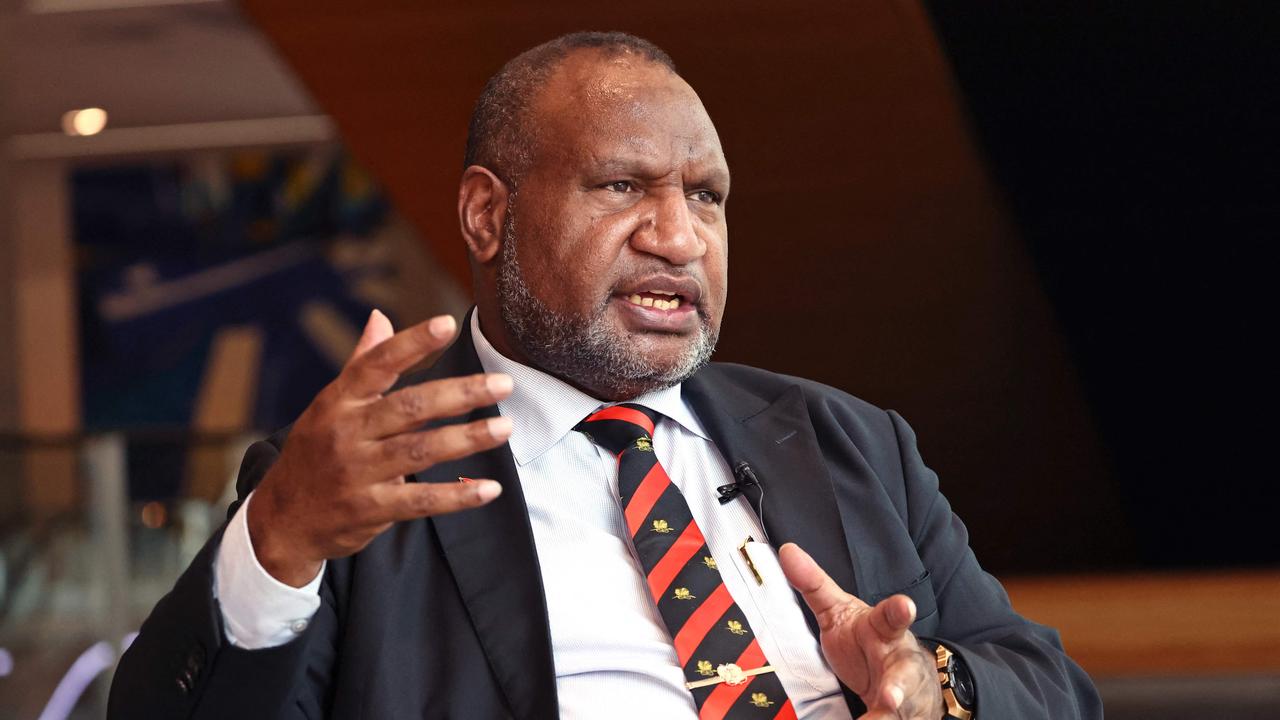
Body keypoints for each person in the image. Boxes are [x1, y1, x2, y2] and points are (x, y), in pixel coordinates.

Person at [108, 31, 1101, 720]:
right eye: (622, 186)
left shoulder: (850, 441)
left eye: (704, 195)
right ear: (487, 217)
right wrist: (275, 539)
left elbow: (1049, 687)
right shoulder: (352, 483)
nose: (675, 235)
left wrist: (928, 686)